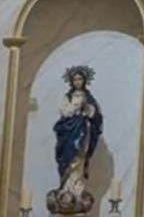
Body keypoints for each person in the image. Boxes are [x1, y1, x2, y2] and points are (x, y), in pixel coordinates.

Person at [51, 67, 103, 206]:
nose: (77, 82)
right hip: (68, 132)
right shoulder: (68, 97)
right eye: (75, 79)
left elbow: (95, 116)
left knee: (79, 159)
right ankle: (66, 189)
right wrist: (75, 108)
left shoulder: (88, 97)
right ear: (71, 81)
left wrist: (87, 108)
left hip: (81, 130)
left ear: (84, 80)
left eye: (80, 79)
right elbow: (64, 111)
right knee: (67, 158)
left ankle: (76, 190)